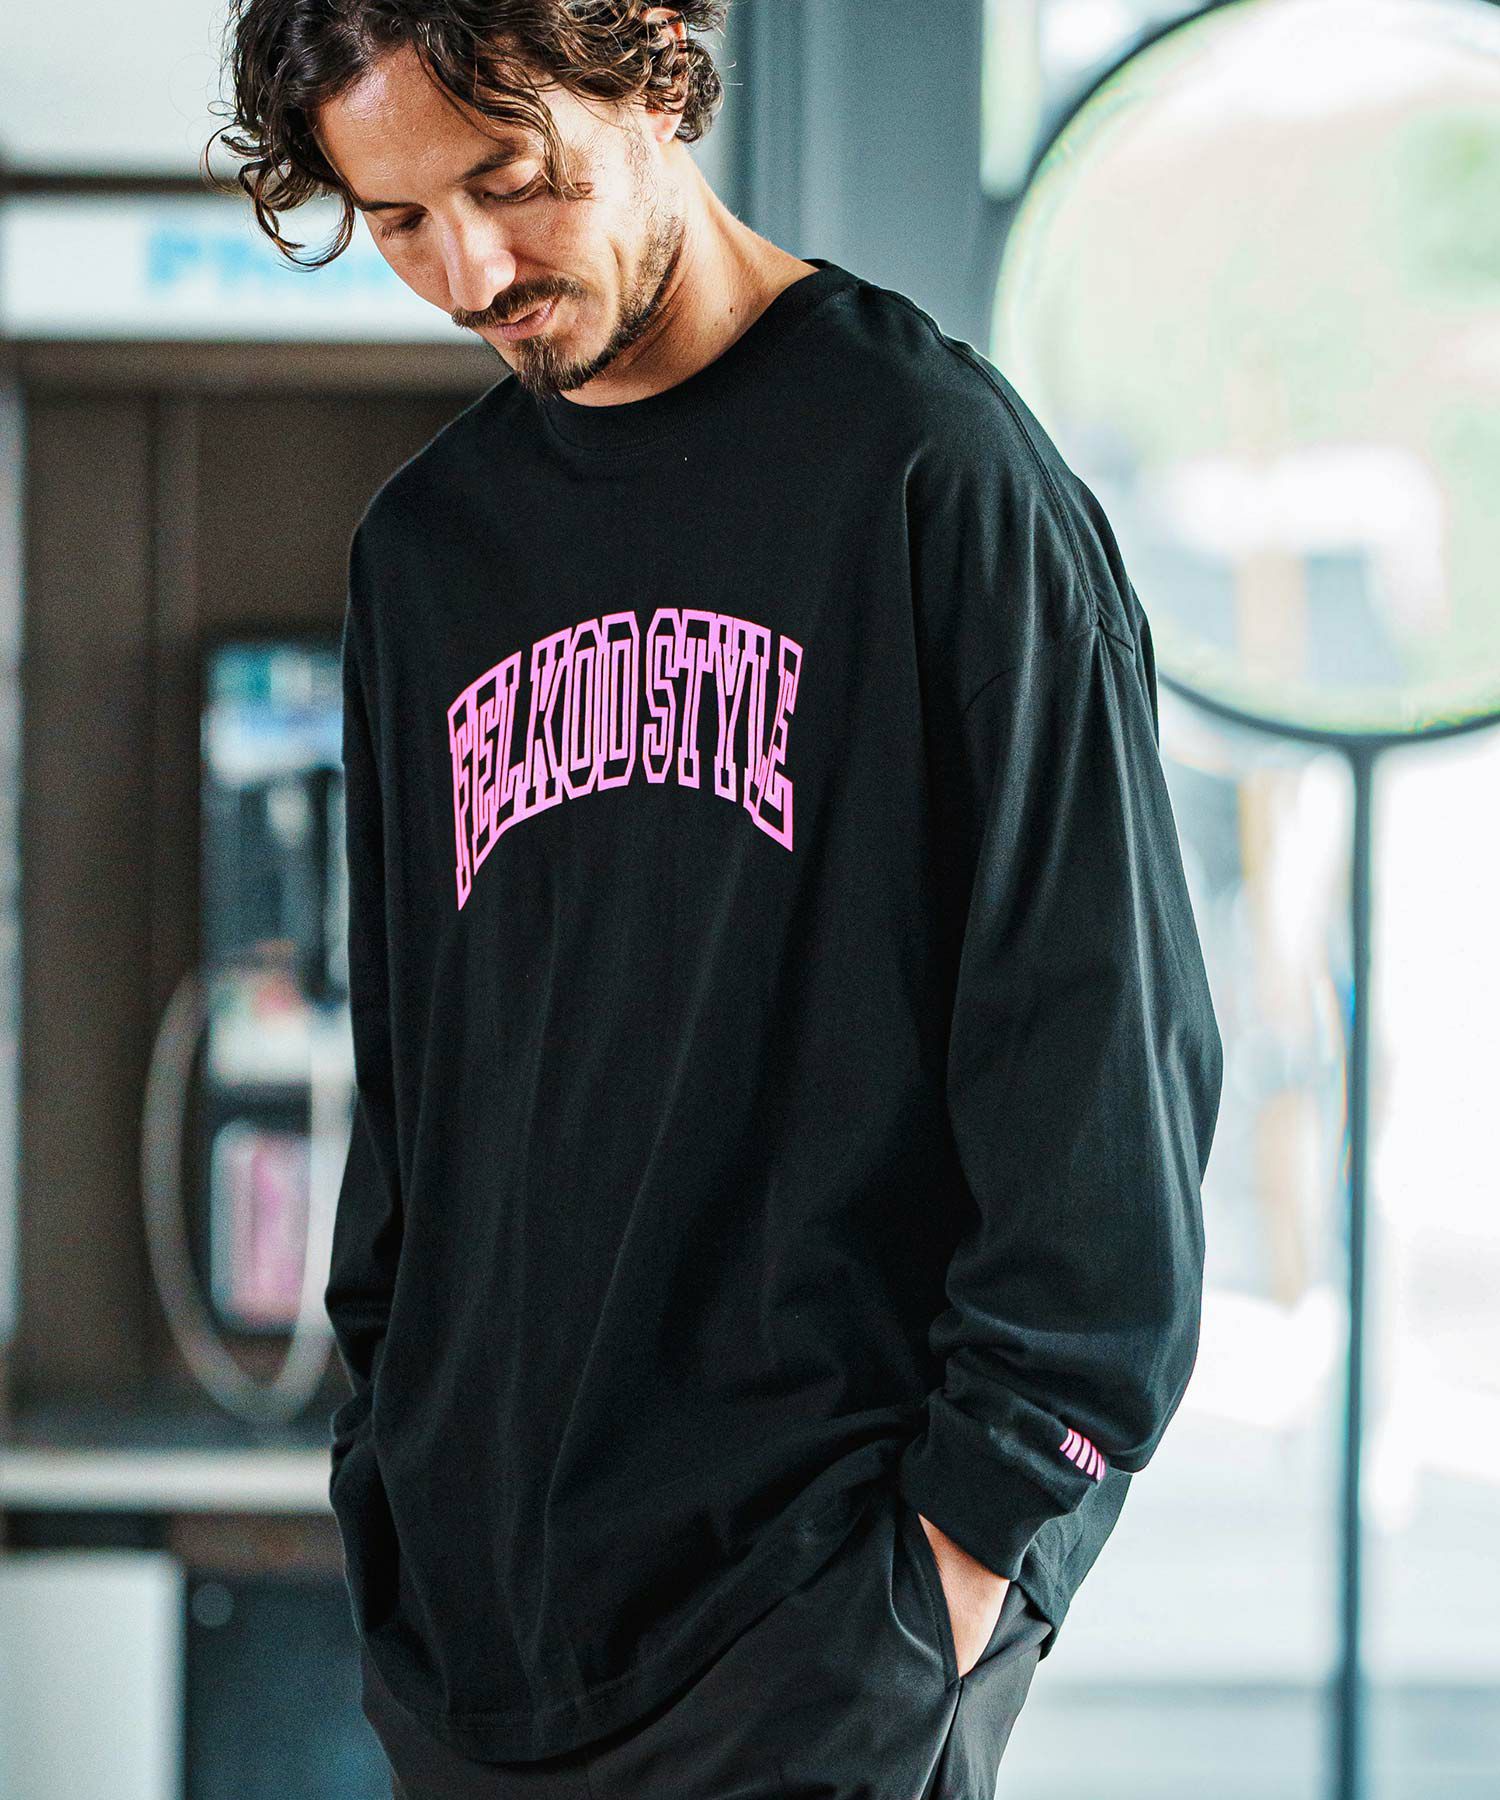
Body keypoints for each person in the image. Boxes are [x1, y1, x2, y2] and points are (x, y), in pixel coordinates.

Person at [211, 4, 1225, 1795]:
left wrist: (956, 1567)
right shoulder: (427, 554)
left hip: (814, 1640)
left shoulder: (933, 475)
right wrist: (395, 1483)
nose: (470, 273)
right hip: (475, 1650)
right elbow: (419, 1093)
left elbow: (1104, 1110)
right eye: (400, 220)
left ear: (654, 61)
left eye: (510, 181)